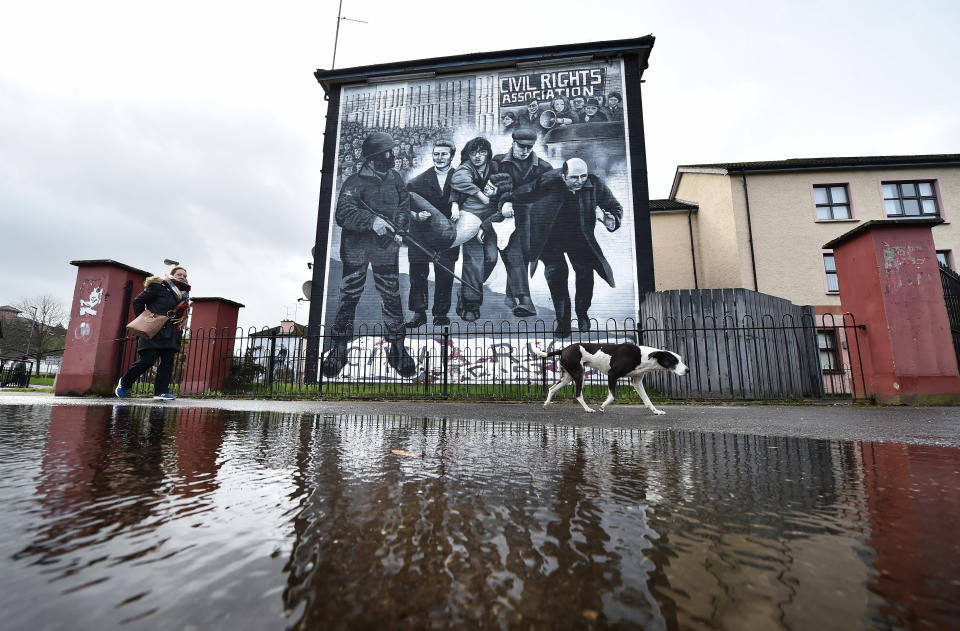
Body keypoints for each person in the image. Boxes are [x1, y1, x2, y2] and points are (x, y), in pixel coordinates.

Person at [322, 131, 417, 378]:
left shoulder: (394, 178)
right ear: (375, 157)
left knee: (391, 295)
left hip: (386, 248)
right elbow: (343, 214)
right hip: (357, 249)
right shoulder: (354, 182)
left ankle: (396, 347)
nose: (392, 156)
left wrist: (400, 226)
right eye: (387, 153)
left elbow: (404, 205)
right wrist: (372, 220)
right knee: (349, 296)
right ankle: (339, 347)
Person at [523, 158, 622, 338]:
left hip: (579, 236)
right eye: (574, 177)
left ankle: (582, 313)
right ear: (563, 176)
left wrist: (612, 220)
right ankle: (563, 323)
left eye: (583, 176)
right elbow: (522, 192)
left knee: (585, 273)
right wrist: (505, 202)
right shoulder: (547, 181)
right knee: (557, 274)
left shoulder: (593, 184)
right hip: (550, 237)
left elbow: (614, 206)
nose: (580, 181)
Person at [492, 128, 553, 317]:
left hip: (530, 220)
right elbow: (491, 189)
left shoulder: (543, 167)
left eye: (529, 147)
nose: (525, 151)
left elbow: (547, 195)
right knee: (515, 254)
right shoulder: (498, 163)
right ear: (513, 143)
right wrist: (503, 202)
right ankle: (525, 300)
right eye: (521, 146)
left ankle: (511, 296)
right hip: (502, 218)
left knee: (520, 256)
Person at [449, 137, 511, 322]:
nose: (477, 156)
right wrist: (454, 204)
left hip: (490, 220)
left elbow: (506, 184)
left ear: (488, 154)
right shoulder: (465, 168)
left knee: (491, 258)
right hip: (469, 218)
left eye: (482, 152)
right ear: (468, 154)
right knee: (474, 261)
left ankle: (469, 287)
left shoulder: (495, 167)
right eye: (473, 152)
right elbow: (457, 185)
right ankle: (471, 304)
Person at [404, 139, 459, 327]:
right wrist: (416, 215)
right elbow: (403, 207)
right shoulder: (417, 181)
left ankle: (440, 314)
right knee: (418, 274)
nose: (439, 158)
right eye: (436, 154)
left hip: (448, 236)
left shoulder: (461, 179)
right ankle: (419, 314)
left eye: (444, 154)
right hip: (420, 234)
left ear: (452, 156)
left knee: (445, 274)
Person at [115, 266, 191, 400]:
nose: (182, 277)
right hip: (154, 330)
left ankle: (161, 392)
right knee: (147, 361)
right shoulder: (159, 286)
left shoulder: (184, 294)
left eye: (184, 275)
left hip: (171, 331)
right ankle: (124, 383)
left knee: (167, 362)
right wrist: (145, 320)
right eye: (179, 274)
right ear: (172, 275)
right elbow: (138, 301)